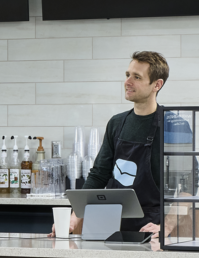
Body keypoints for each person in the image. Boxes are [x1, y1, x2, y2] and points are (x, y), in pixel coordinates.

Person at [54, 51, 173, 238]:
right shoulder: (117, 123)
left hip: (151, 228)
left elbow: (187, 187)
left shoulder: (172, 125)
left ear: (157, 85)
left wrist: (165, 227)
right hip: (109, 223)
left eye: (137, 77)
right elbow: (98, 174)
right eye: (127, 75)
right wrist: (73, 218)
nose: (127, 82)